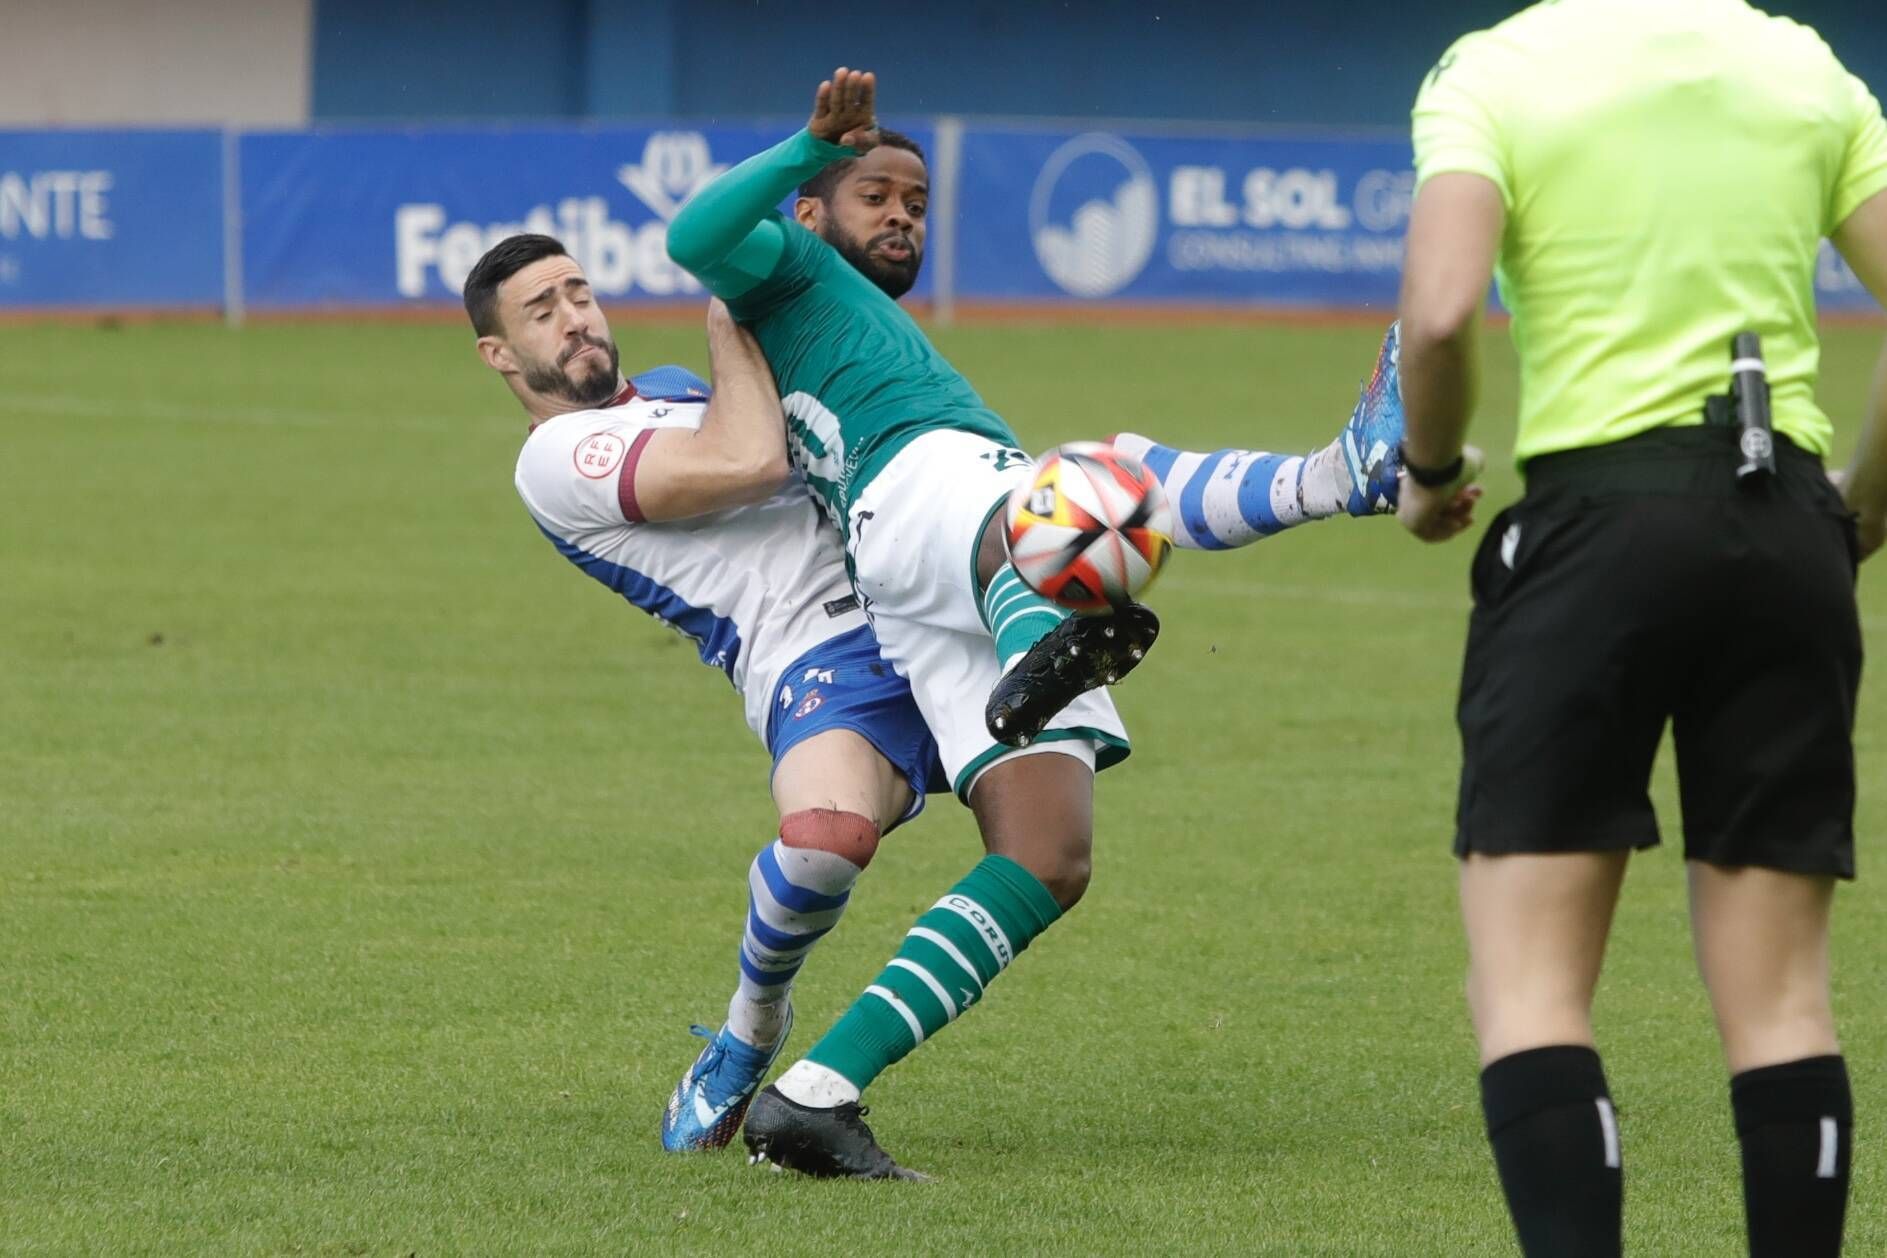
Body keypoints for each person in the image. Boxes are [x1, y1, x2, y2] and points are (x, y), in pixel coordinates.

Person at [469, 230, 1413, 1175]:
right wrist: (734, 304)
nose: (574, 319)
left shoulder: (676, 387)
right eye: (541, 312)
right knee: (823, 843)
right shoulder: (556, 457)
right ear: (500, 355)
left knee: (1051, 832)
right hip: (815, 656)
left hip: (908, 582)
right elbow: (754, 458)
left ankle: (1275, 506)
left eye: (577, 292)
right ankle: (750, 1032)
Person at [665, 68, 1442, 1178]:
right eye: (875, 192)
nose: (901, 215)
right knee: (1093, 481)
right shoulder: (786, 269)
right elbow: (695, 231)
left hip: (922, 576)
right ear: (810, 212)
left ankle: (813, 1096)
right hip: (933, 494)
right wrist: (804, 145)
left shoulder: (842, 309)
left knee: (1047, 855)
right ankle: (1336, 476)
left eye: (917, 203)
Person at [1393, 3, 1887, 1254]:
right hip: (1786, 536)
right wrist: (1854, 517)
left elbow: (1442, 312)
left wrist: (1429, 463)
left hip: (1592, 535)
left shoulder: (1495, 71)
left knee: (1531, 986)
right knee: (1781, 1003)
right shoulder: (1803, 65)